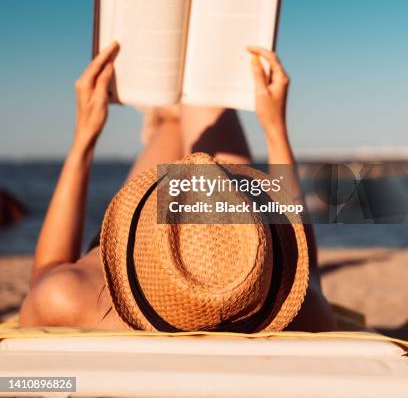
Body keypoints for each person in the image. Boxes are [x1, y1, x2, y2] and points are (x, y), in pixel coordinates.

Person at [20, 42, 336, 331]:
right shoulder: (306, 316)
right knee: (206, 100)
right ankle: (175, 109)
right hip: (241, 282)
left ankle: (167, 116)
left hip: (156, 260)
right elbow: (305, 267)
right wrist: (275, 128)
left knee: (186, 109)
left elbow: (45, 275)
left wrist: (84, 136)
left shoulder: (73, 301)